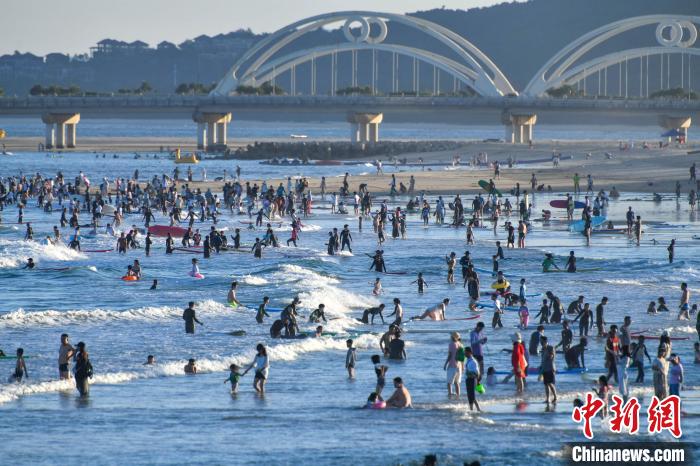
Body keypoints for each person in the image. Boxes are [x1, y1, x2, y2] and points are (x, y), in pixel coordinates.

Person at [444, 332, 463, 397]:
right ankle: (458, 396)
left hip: (452, 365)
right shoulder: (460, 344)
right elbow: (463, 358)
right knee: (457, 383)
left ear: (452, 337)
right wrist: (462, 367)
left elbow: (450, 355)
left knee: (449, 383)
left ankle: (450, 395)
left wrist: (445, 364)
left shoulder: (451, 344)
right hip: (459, 366)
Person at [464, 347, 481, 411]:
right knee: (470, 395)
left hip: (472, 380)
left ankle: (473, 409)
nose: (464, 353)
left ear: (469, 353)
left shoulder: (473, 361)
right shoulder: (468, 360)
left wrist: (476, 380)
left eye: (465, 352)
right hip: (468, 379)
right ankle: (477, 409)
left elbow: (477, 373)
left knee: (472, 396)